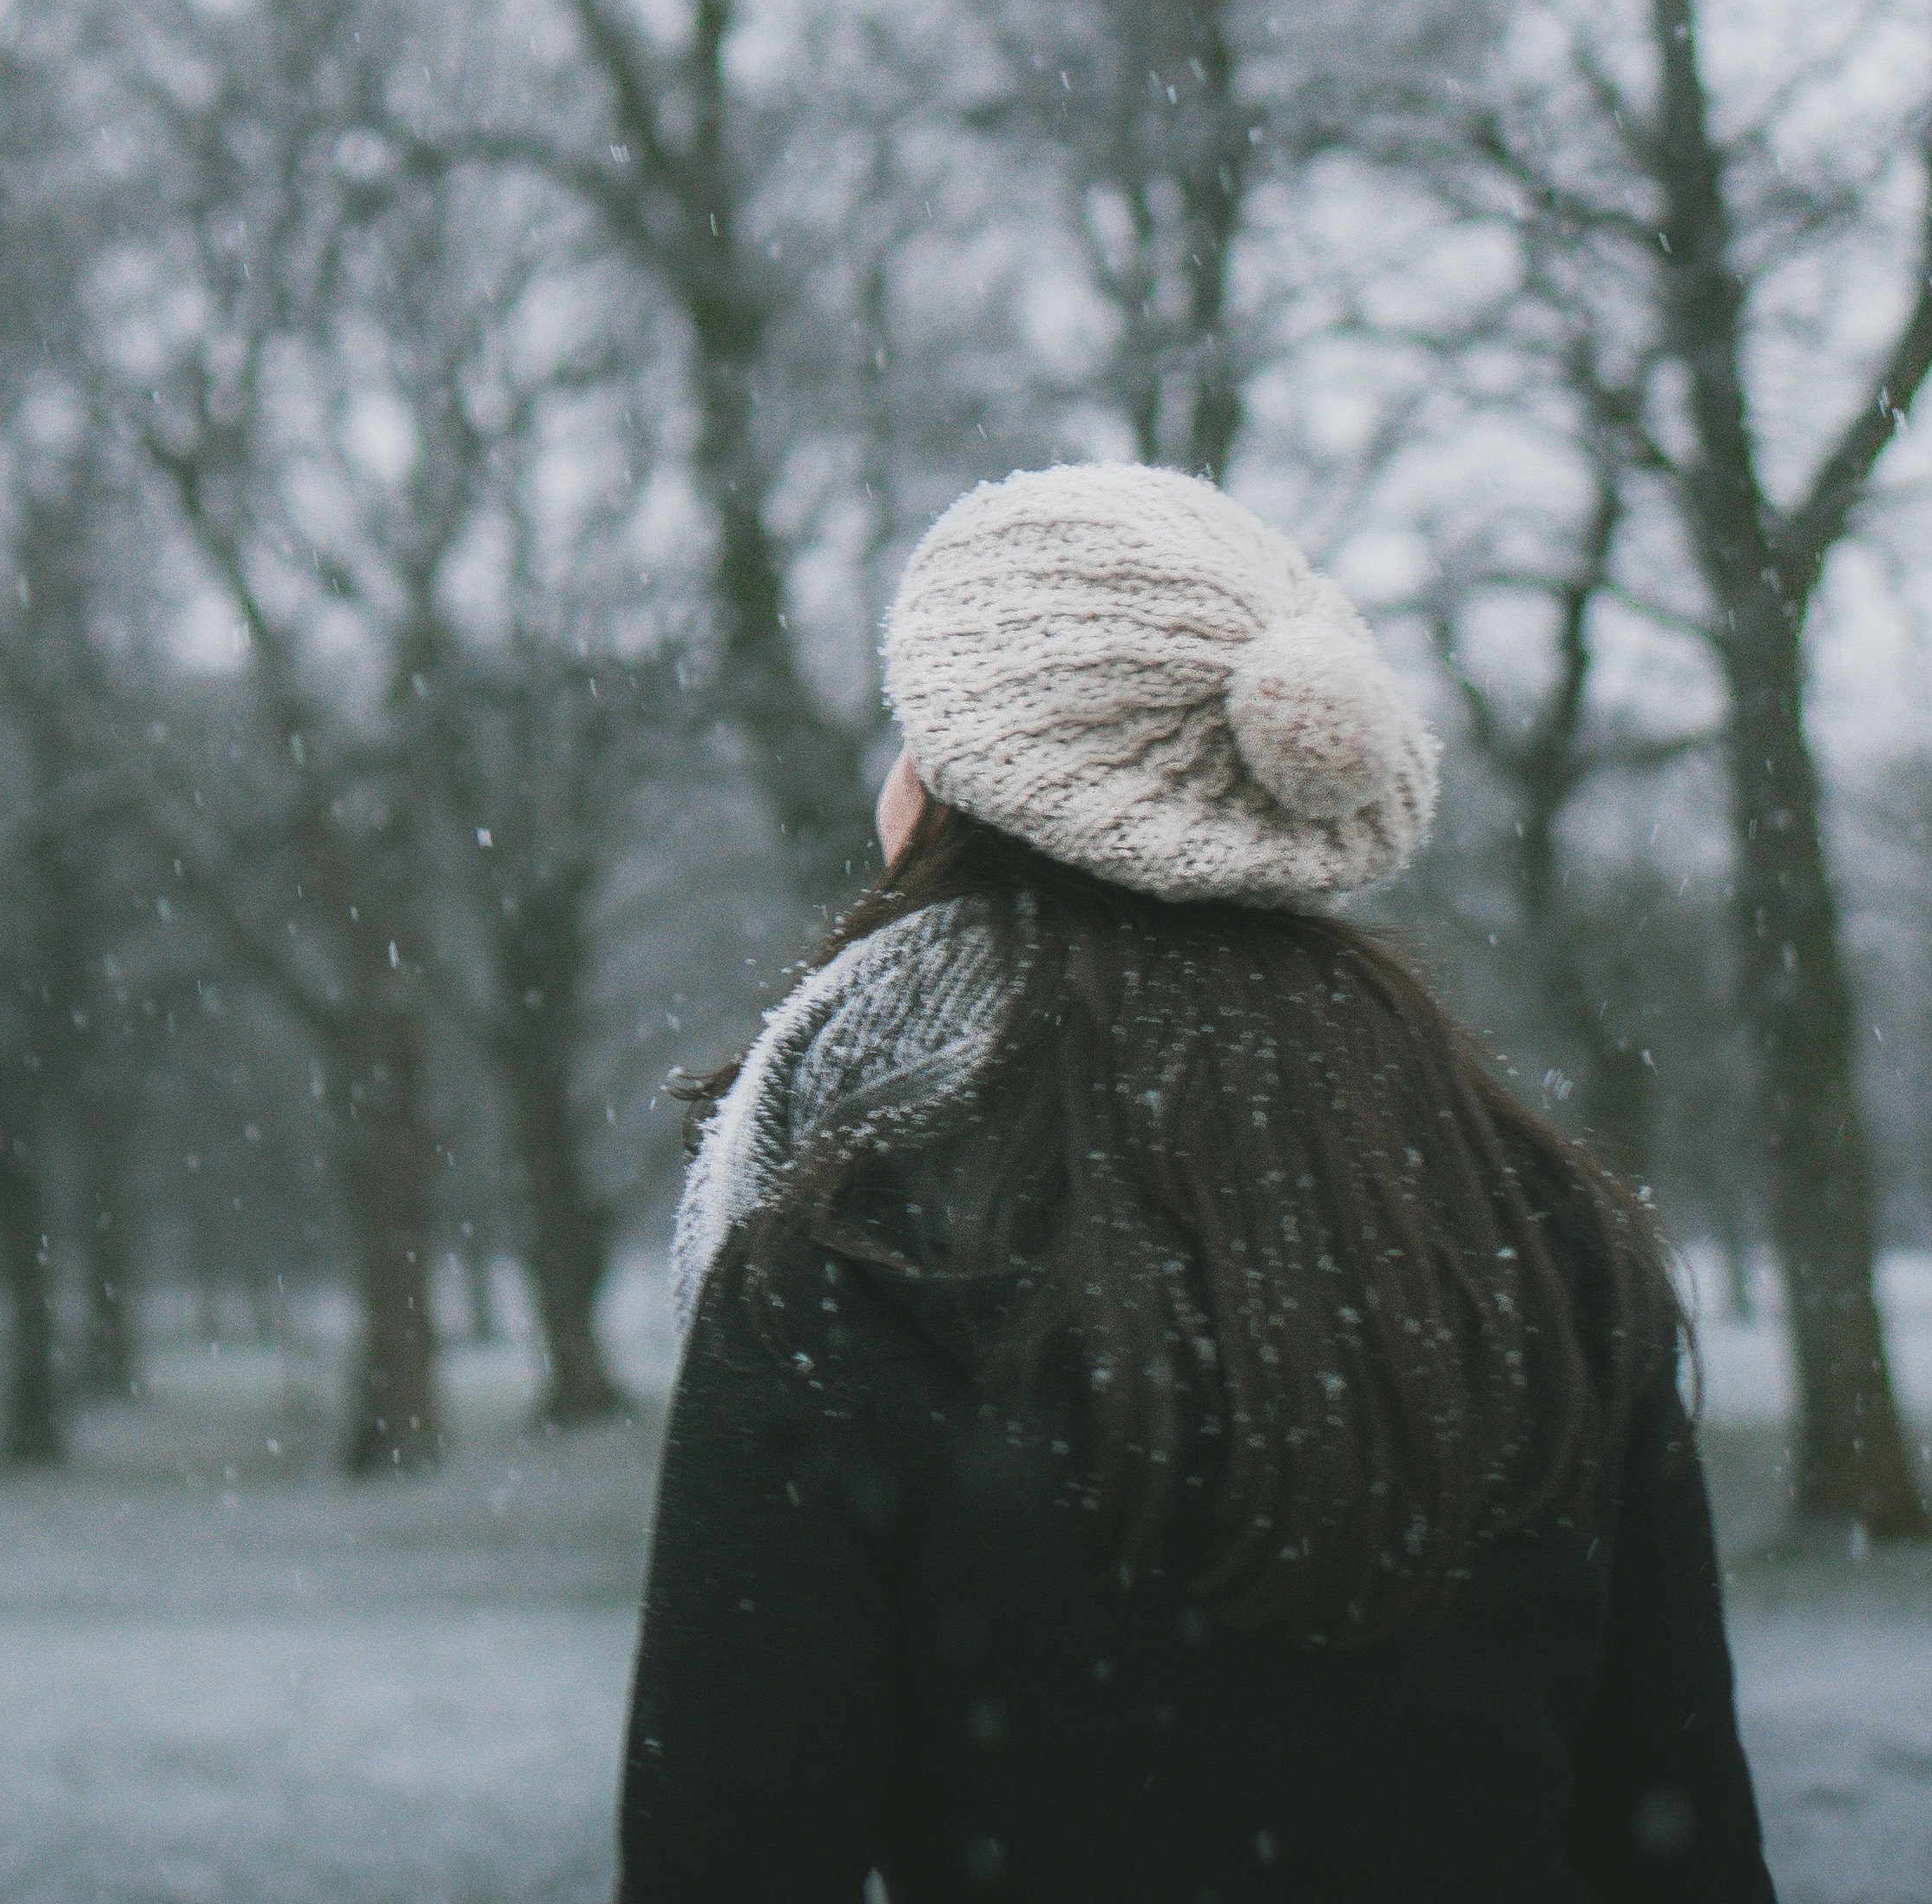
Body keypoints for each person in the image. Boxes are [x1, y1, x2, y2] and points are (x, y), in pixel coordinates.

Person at [617, 463, 1771, 1902]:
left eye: (914, 734)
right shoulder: (1542, 1233)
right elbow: (1682, 1843)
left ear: (956, 799)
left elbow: (726, 1856)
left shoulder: (856, 1259)